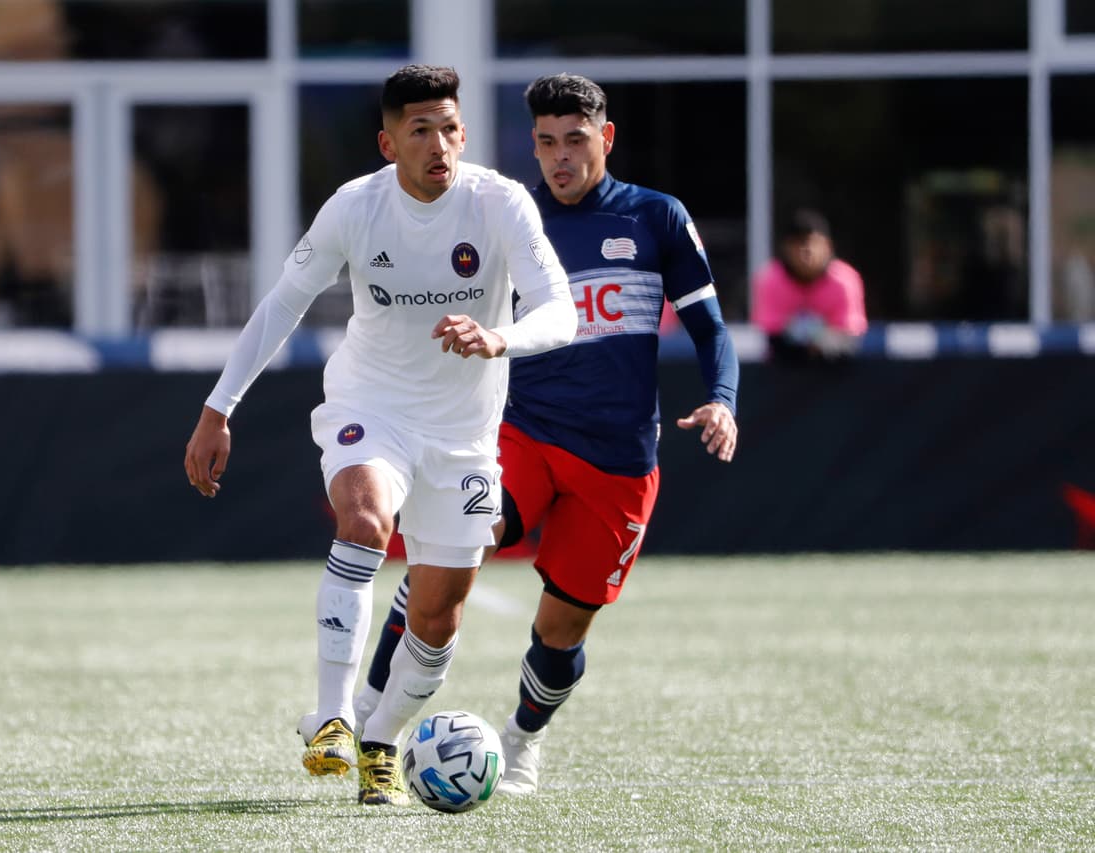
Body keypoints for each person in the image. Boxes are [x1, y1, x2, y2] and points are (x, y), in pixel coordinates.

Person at [183, 64, 576, 806]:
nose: (440, 144)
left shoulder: (500, 204)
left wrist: (500, 337)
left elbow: (562, 311)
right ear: (388, 142)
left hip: (463, 435)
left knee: (436, 618)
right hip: (373, 403)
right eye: (420, 129)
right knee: (363, 518)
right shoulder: (355, 207)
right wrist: (218, 407)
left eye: (451, 128)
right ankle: (332, 715)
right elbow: (281, 306)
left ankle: (381, 739)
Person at [353, 73, 740, 795]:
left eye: (575, 141)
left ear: (607, 138)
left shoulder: (656, 217)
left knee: (563, 628)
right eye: (545, 143)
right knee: (449, 548)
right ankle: (372, 716)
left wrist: (722, 399)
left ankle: (523, 740)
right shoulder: (509, 214)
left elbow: (709, 326)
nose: (559, 158)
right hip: (517, 432)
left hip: (618, 458)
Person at [753, 208, 867, 362]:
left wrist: (822, 341)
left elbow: (850, 335)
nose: (805, 251)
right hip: (783, 369)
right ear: (786, 247)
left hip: (837, 371)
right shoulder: (770, 280)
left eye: (811, 243)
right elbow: (772, 332)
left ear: (828, 246)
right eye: (797, 244)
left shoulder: (844, 281)